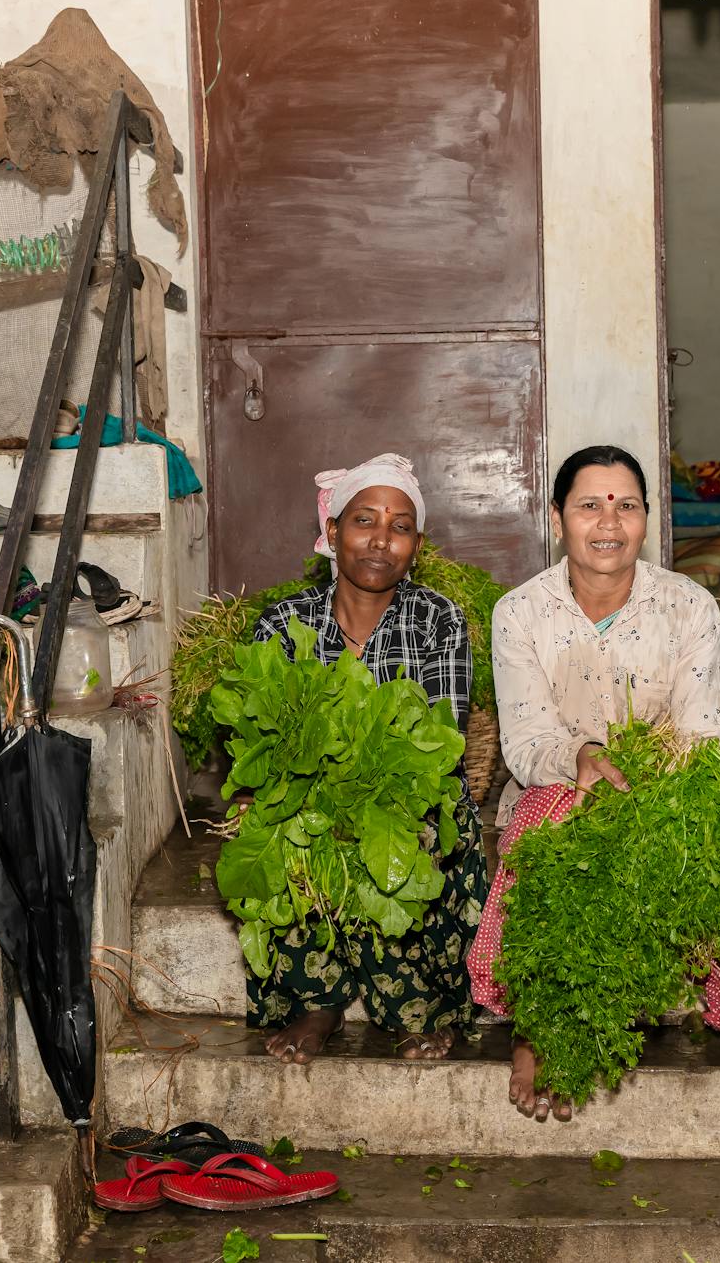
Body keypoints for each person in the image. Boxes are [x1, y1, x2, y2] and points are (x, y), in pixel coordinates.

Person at [467, 444, 720, 1121]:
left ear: (647, 520)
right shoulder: (520, 612)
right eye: (590, 504)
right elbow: (528, 740)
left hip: (669, 787)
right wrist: (586, 756)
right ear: (558, 518)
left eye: (627, 505)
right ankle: (539, 1020)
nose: (608, 521)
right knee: (544, 828)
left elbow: (711, 733)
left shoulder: (688, 606)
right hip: (561, 782)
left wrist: (648, 780)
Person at [245, 452, 489, 1065]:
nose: (381, 540)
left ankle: (418, 1006)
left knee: (423, 835)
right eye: (364, 521)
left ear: (417, 545)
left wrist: (370, 793)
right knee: (292, 833)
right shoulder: (282, 624)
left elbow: (440, 740)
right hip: (316, 802)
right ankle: (316, 1002)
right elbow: (267, 742)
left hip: (405, 799)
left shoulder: (438, 620)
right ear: (332, 533)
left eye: (400, 526)